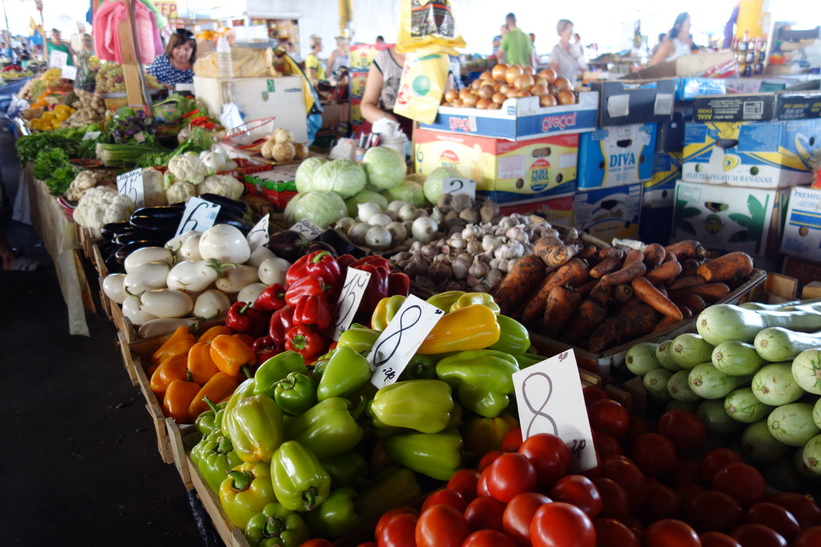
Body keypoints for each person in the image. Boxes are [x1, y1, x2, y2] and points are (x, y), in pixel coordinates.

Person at [361, 44, 413, 137]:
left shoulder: (438, 60)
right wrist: (388, 120)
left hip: (423, 132)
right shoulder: (384, 58)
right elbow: (366, 106)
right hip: (387, 129)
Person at [550, 19, 586, 83]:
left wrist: (578, 43)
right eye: (569, 30)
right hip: (564, 88)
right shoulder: (556, 50)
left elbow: (583, 68)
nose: (571, 33)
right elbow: (553, 74)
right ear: (561, 31)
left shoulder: (573, 48)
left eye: (572, 30)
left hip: (576, 86)